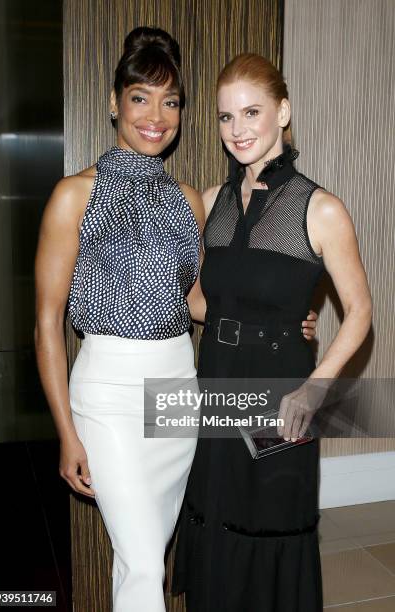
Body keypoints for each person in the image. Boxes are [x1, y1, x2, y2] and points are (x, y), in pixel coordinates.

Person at [172, 53, 373, 611]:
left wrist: (317, 386)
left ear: (283, 112)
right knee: (216, 512)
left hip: (281, 390)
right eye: (224, 117)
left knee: (269, 520)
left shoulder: (321, 208)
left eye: (252, 112)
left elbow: (359, 311)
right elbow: (194, 300)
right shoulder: (211, 203)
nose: (237, 130)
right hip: (217, 378)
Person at [34, 26, 207, 612]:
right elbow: (46, 323)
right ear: (114, 103)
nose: (156, 115)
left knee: (142, 557)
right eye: (140, 97)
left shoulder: (188, 199)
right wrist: (66, 432)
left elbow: (197, 302)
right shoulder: (73, 195)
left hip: (178, 387)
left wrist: (285, 314)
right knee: (141, 559)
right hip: (106, 392)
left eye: (171, 100)